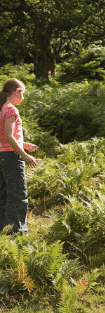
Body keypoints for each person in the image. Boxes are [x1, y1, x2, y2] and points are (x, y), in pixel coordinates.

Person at [0, 78, 38, 235]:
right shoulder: (10, 109)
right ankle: (18, 233)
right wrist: (26, 156)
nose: (23, 98)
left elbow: (5, 137)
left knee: (4, 195)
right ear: (16, 92)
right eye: (22, 94)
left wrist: (26, 145)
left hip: (2, 156)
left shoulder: (2, 108)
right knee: (18, 196)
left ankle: (4, 231)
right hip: (11, 158)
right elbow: (9, 137)